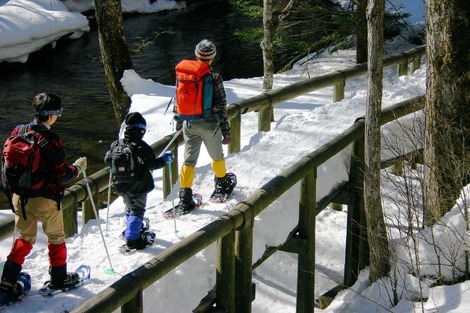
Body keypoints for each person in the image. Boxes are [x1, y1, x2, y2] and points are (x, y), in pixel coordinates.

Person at [0, 92, 88, 300]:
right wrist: (76, 168)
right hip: (44, 198)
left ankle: (7, 281)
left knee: (24, 238)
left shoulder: (18, 131)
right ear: (52, 115)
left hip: (20, 197)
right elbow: (61, 174)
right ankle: (59, 278)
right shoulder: (51, 139)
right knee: (56, 238)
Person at [173, 39, 236, 212]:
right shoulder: (214, 77)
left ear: (196, 54)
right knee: (216, 156)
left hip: (189, 124)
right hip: (209, 124)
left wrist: (179, 122)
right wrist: (226, 130)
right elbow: (221, 105)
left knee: (189, 160)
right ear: (213, 57)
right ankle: (222, 183)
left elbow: (178, 99)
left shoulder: (183, 74)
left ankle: (185, 196)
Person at [104, 112, 174, 250]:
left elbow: (107, 160)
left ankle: (132, 229)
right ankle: (132, 239)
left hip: (120, 186)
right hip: (138, 186)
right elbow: (152, 165)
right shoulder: (142, 147)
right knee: (137, 210)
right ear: (141, 130)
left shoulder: (117, 144)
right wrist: (165, 159)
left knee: (130, 207)